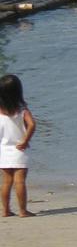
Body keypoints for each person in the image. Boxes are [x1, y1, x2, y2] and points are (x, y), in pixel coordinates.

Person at [0, 74, 36, 218]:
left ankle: (6, 210)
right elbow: (32, 125)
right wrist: (25, 141)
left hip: (3, 150)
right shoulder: (22, 110)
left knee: (6, 182)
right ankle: (22, 211)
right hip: (19, 150)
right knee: (20, 181)